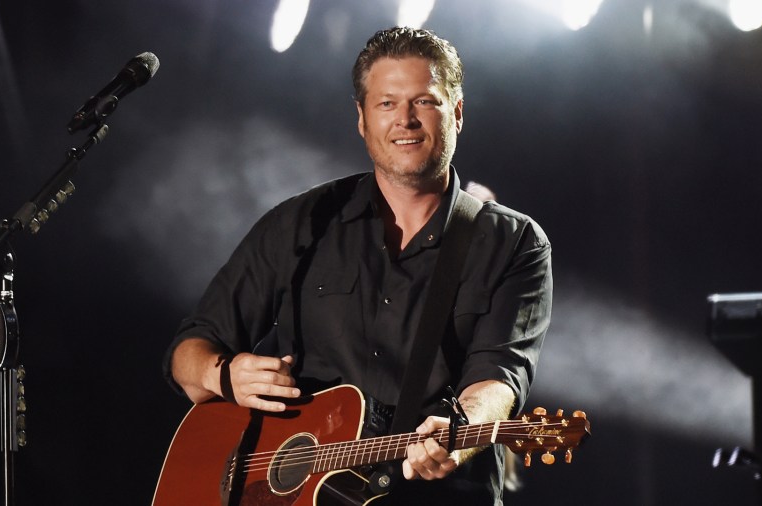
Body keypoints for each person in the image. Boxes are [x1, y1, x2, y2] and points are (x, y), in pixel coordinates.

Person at [163, 26, 552, 504]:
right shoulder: (301, 223)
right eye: (387, 103)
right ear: (362, 120)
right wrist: (225, 375)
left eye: (424, 102)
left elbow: (500, 374)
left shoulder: (513, 242)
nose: (405, 120)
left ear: (457, 113)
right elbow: (189, 353)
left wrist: (463, 426)